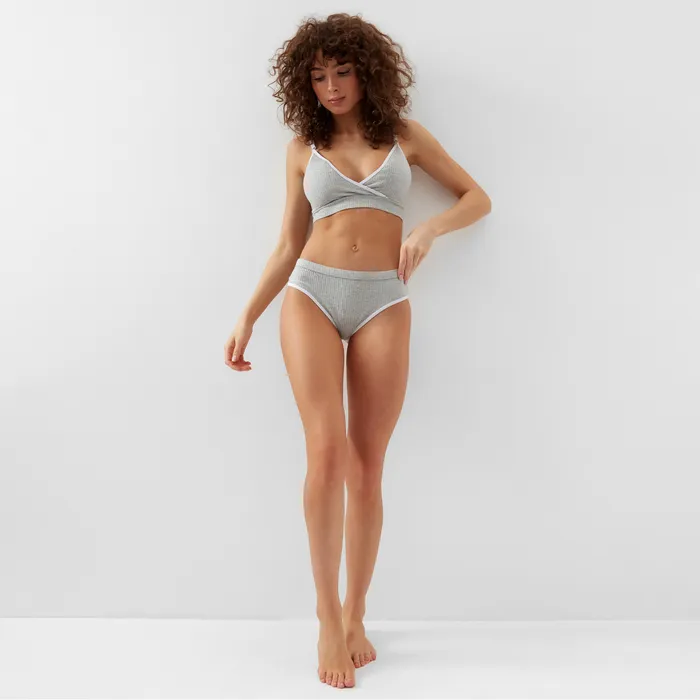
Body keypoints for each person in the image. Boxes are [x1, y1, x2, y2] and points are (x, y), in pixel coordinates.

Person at [224, 12, 491, 689]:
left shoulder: (405, 137)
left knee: (368, 467)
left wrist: (428, 230)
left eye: (342, 72)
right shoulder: (301, 149)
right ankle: (325, 616)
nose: (332, 87)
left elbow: (477, 197)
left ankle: (355, 613)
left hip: (383, 300)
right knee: (327, 453)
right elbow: (288, 244)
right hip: (311, 294)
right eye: (318, 77)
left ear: (366, 72)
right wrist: (248, 316)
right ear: (304, 84)